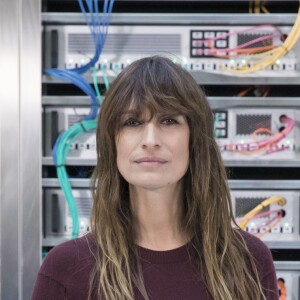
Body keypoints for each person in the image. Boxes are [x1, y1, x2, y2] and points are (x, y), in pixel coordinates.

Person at [32, 56, 278, 300]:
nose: (150, 140)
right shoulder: (65, 269)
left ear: (195, 140)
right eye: (132, 122)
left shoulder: (249, 260)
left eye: (169, 120)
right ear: (112, 143)